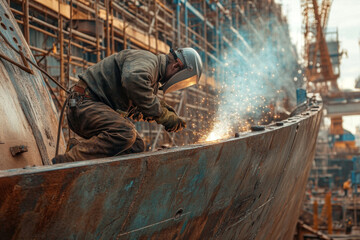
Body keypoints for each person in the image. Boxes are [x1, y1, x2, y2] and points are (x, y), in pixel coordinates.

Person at [52, 47, 202, 163]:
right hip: (84, 105)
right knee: (125, 133)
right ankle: (68, 162)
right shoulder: (149, 60)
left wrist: (159, 114)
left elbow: (135, 109)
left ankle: (80, 152)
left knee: (135, 146)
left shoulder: (153, 78)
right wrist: (161, 113)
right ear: (176, 66)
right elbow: (132, 80)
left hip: (93, 109)